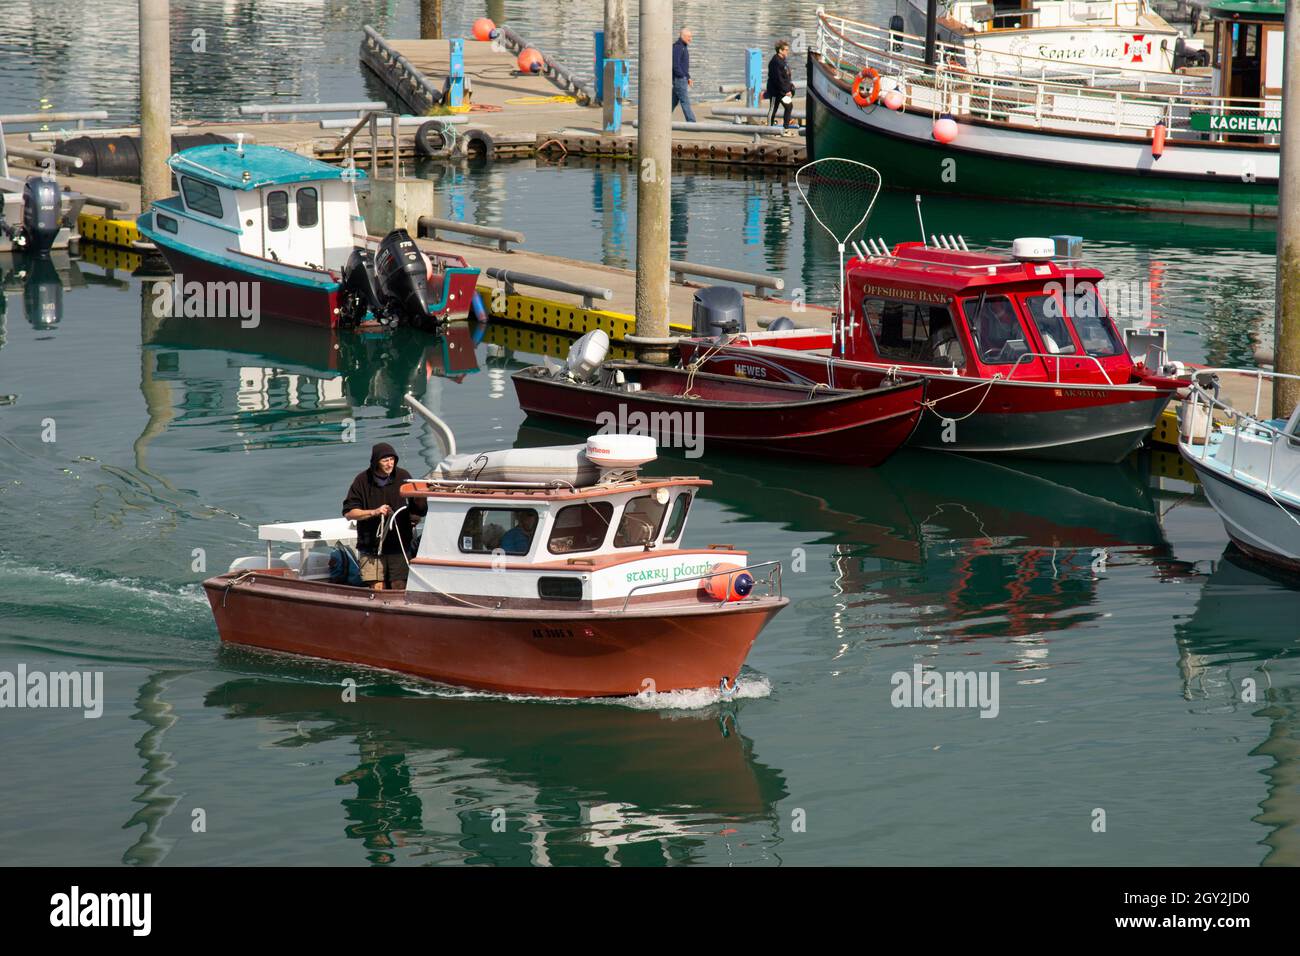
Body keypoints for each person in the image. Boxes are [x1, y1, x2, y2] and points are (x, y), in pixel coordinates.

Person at [342, 441, 427, 590]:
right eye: (385, 460)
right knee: (377, 587)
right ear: (376, 462)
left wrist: (421, 497)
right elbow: (349, 513)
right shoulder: (362, 481)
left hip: (399, 545)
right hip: (371, 546)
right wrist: (374, 512)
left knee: (399, 584)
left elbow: (419, 511)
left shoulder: (403, 476)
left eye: (392, 459)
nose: (390, 464)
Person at [766, 40, 796, 133]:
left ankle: (785, 128)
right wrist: (786, 91)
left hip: (783, 91)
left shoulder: (783, 60)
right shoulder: (775, 62)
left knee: (789, 107)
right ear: (780, 51)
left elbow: (786, 76)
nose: (788, 52)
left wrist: (790, 88)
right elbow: (778, 79)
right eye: (786, 50)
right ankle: (769, 129)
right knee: (773, 109)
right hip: (776, 91)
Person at [672, 28, 697, 122]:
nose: (691, 39)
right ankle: (692, 122)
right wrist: (682, 76)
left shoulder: (683, 46)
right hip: (679, 79)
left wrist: (688, 77)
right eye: (689, 37)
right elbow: (675, 65)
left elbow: (683, 65)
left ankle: (662, 118)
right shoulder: (678, 47)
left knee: (673, 101)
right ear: (683, 36)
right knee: (685, 101)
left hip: (681, 78)